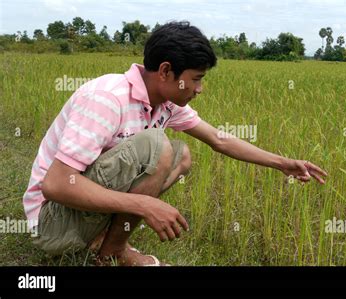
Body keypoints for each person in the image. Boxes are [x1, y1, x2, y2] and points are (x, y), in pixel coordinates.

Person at [22, 21, 328, 266]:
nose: (200, 89)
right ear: (167, 71)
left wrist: (282, 163)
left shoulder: (165, 103)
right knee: (158, 145)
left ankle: (105, 241)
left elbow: (219, 139)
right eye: (195, 79)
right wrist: (144, 204)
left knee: (181, 154)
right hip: (52, 226)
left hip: (79, 217)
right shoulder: (107, 98)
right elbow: (57, 185)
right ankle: (113, 252)